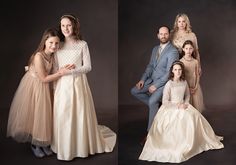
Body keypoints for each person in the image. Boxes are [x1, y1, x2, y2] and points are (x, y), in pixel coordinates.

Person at [51, 14, 116, 161]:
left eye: (68, 25)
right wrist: (61, 72)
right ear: (60, 27)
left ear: (74, 26)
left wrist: (72, 71)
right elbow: (55, 68)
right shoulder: (58, 45)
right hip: (62, 85)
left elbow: (88, 67)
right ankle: (65, 146)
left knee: (79, 113)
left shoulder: (82, 44)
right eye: (63, 26)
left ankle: (80, 146)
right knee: (64, 114)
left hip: (78, 84)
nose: (66, 28)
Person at [139, 61, 224, 163]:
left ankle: (197, 140)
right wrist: (178, 106)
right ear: (172, 71)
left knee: (195, 116)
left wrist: (186, 104)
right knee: (179, 120)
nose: (178, 72)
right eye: (175, 70)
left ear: (182, 71)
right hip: (171, 107)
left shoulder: (184, 82)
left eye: (179, 70)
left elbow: (187, 95)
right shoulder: (169, 84)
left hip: (183, 104)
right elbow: (165, 101)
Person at [7, 28, 73, 158]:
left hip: (46, 85)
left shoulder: (53, 55)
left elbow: (53, 71)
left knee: (46, 115)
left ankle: (43, 143)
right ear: (44, 42)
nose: (54, 46)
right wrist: (60, 73)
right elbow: (43, 78)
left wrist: (62, 69)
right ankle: (35, 144)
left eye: (56, 43)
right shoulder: (38, 56)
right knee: (37, 114)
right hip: (36, 86)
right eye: (51, 43)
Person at [131, 26, 179, 132]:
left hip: (164, 83)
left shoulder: (173, 51)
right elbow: (150, 66)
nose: (163, 36)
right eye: (161, 34)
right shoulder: (155, 49)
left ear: (169, 35)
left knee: (152, 101)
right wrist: (142, 79)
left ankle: (150, 133)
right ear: (158, 35)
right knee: (134, 91)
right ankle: (160, 109)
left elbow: (170, 72)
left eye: (166, 34)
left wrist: (156, 86)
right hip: (151, 80)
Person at [180, 40, 205, 112]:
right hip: (185, 86)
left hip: (194, 86)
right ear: (183, 49)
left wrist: (196, 87)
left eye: (190, 48)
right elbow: (181, 77)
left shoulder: (195, 61)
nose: (188, 51)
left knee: (195, 108)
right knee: (187, 107)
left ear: (193, 49)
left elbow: (197, 75)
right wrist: (187, 88)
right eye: (186, 48)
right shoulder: (181, 62)